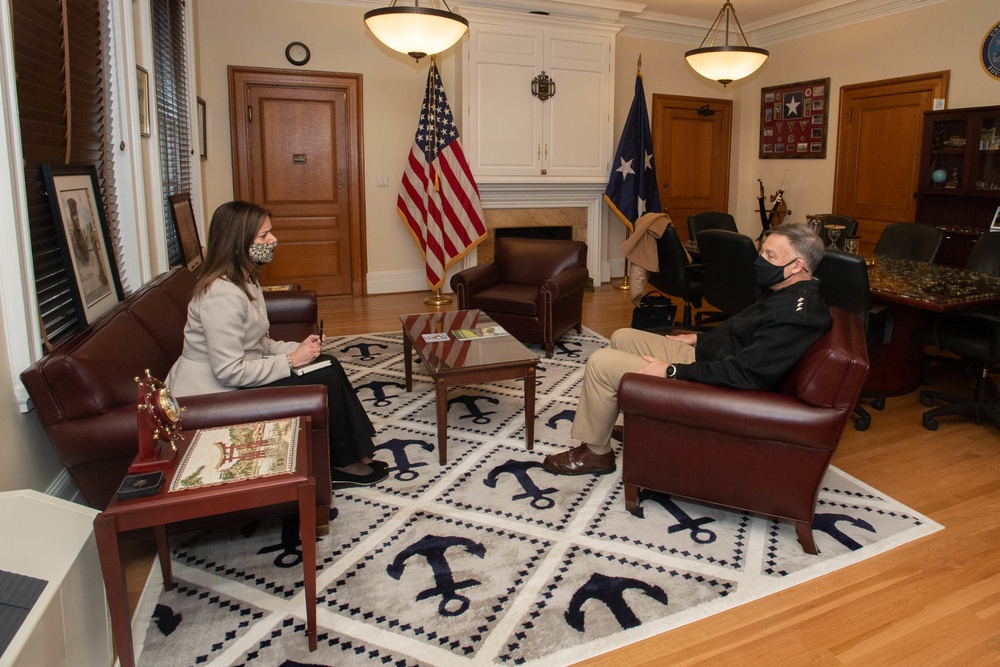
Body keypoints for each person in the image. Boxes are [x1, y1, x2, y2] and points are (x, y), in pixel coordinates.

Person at [543, 222, 832, 477]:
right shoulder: (786, 292)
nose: (760, 261)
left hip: (715, 385)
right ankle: (632, 422)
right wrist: (699, 340)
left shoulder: (795, 316)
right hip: (707, 358)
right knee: (622, 336)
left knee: (601, 361)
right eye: (762, 252)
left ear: (797, 265)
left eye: (770, 256)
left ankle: (596, 453)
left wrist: (671, 370)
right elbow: (742, 332)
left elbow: (744, 375)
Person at [166, 201, 387, 488]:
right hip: (213, 392)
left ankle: (356, 452)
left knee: (327, 361)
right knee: (325, 376)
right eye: (263, 236)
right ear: (237, 242)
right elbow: (229, 372)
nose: (273, 240)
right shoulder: (220, 296)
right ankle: (343, 465)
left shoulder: (247, 281)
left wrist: (299, 348)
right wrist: (291, 361)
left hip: (239, 376)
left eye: (270, 233)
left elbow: (260, 344)